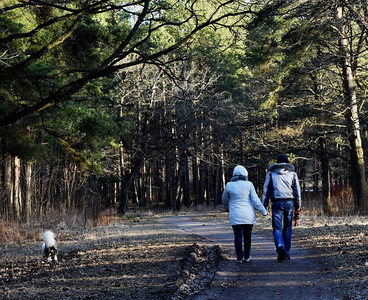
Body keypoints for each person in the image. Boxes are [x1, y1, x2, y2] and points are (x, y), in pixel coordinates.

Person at [222, 165, 268, 263]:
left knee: (237, 236)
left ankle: (239, 257)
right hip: (248, 215)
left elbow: (224, 199)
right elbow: (255, 200)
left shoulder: (229, 185)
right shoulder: (249, 184)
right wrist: (263, 211)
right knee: (247, 236)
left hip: (235, 214)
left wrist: (227, 209)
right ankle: (247, 256)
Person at [262, 154, 301, 262]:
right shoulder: (293, 174)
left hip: (277, 203)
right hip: (289, 202)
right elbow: (297, 191)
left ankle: (280, 246)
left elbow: (266, 190)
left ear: (277, 163)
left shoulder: (271, 174)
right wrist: (298, 207)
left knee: (277, 228)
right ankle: (287, 253)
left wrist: (264, 205)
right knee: (288, 228)